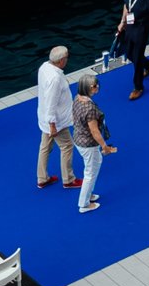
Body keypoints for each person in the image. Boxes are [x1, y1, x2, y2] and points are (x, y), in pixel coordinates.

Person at [34, 46, 77, 189]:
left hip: (44, 117)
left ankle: (42, 178)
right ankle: (68, 179)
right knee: (67, 146)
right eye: (66, 58)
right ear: (61, 60)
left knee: (45, 147)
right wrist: (52, 125)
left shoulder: (44, 67)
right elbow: (51, 103)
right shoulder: (55, 79)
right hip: (56, 121)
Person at [73, 72, 115, 213]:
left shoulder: (77, 98)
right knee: (90, 173)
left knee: (95, 164)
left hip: (79, 139)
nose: (98, 87)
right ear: (90, 87)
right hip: (88, 144)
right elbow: (95, 131)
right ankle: (84, 204)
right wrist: (104, 146)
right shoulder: (90, 108)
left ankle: (88, 194)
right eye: (96, 85)